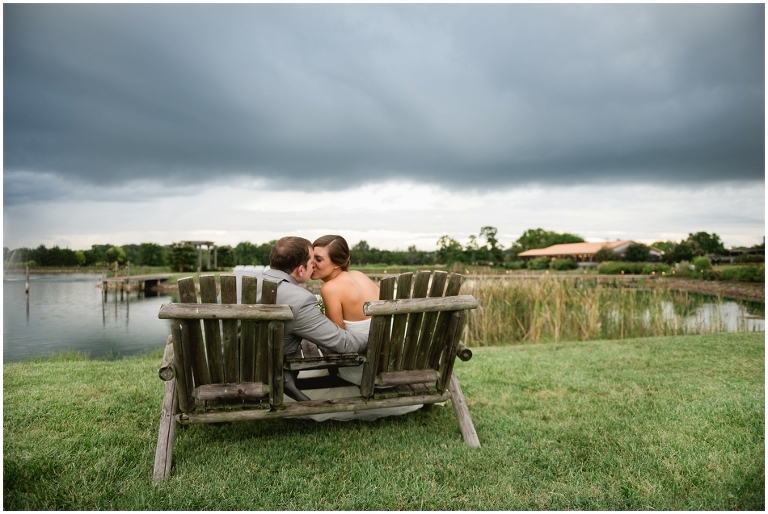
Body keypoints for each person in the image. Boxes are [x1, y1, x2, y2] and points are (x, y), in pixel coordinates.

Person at [256, 236, 368, 401]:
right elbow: (340, 341)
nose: (313, 265)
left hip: (223, 370)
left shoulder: (238, 284)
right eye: (311, 261)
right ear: (301, 270)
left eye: (319, 259)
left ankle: (288, 381)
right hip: (264, 371)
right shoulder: (301, 299)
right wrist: (375, 337)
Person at [310, 234, 379, 386]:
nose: (311, 264)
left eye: (319, 259)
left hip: (362, 365)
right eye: (311, 257)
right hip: (385, 357)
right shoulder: (359, 275)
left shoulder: (330, 288)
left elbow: (336, 338)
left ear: (337, 263)